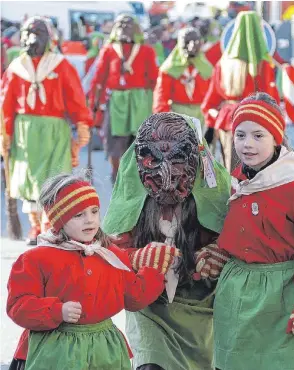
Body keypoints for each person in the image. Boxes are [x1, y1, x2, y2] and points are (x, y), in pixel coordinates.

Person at [214, 92, 294, 370]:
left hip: (289, 300)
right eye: (240, 135)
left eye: (259, 136)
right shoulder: (241, 182)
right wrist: (218, 255)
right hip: (242, 303)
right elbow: (238, 235)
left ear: (276, 138)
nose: (247, 144)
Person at [7, 173, 180, 370]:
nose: (89, 220)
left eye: (94, 211)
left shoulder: (110, 255)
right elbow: (18, 306)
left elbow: (134, 296)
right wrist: (57, 311)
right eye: (79, 215)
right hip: (54, 350)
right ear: (59, 220)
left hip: (103, 350)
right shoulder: (36, 260)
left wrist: (153, 271)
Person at [102, 112, 232, 370]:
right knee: (152, 363)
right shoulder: (133, 193)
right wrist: (135, 258)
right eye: (155, 162)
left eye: (178, 161)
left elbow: (242, 241)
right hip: (151, 305)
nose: (168, 175)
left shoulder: (213, 190)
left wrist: (220, 253)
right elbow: (105, 252)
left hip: (202, 306)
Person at [0, 16, 93, 244]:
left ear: (48, 39)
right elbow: (6, 105)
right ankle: (34, 227)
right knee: (29, 180)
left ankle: (49, 224)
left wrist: (82, 123)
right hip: (25, 133)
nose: (32, 39)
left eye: (38, 33)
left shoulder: (61, 65)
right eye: (28, 33)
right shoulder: (16, 68)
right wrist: (5, 133)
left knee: (54, 178)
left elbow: (75, 98)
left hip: (54, 132)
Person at [201, 11, 279, 172]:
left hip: (228, 120)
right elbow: (270, 97)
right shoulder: (263, 64)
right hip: (258, 119)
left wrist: (211, 122)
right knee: (258, 170)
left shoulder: (223, 63)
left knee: (230, 168)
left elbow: (210, 100)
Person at [89, 14, 158, 183]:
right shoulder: (109, 50)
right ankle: (116, 174)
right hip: (116, 103)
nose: (123, 28)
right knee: (115, 142)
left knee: (139, 141)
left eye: (128, 25)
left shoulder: (146, 50)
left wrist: (149, 101)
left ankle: (138, 176)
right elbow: (99, 79)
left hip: (139, 102)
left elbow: (154, 79)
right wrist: (94, 103)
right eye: (120, 24)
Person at [153, 27, 212, 128]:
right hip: (177, 116)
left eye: (196, 41)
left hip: (202, 116)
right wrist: (164, 120)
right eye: (187, 41)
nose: (192, 45)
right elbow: (161, 97)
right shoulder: (169, 68)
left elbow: (213, 95)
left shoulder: (207, 68)